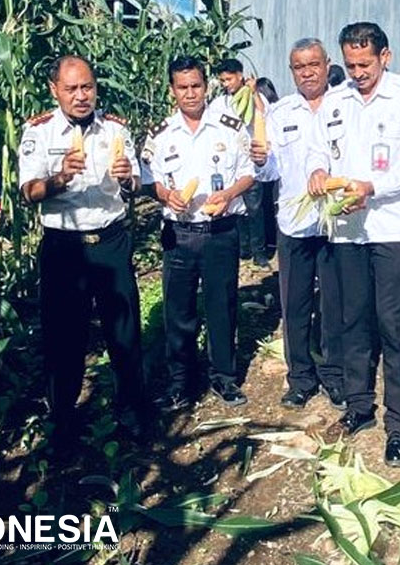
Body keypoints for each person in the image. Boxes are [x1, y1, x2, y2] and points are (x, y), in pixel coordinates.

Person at [308, 22, 400, 468]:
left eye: (365, 64)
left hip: (391, 229)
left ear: (385, 57)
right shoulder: (335, 101)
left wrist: (371, 187)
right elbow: (320, 150)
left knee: (393, 328)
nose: (357, 72)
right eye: (351, 64)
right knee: (352, 321)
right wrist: (318, 173)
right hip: (348, 231)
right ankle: (359, 407)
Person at [17, 55, 145, 439]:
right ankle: (62, 417)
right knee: (63, 337)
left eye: (87, 87)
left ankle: (132, 410)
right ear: (54, 90)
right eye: (71, 89)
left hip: (110, 241)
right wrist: (60, 178)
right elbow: (29, 192)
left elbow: (136, 185)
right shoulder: (38, 133)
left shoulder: (115, 129)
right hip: (65, 249)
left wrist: (128, 180)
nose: (80, 96)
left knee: (123, 331)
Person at [143, 55, 256, 410]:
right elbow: (150, 181)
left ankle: (224, 377)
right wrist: (166, 195)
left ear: (206, 86)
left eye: (196, 86)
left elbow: (249, 172)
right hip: (179, 234)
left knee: (222, 306)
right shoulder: (160, 135)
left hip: (220, 231)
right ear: (171, 91)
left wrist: (230, 193)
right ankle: (181, 383)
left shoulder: (230, 126)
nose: (190, 94)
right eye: (182, 88)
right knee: (179, 311)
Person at [251, 40, 346, 409]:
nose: (307, 73)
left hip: (336, 222)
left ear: (327, 65)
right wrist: (261, 161)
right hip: (294, 223)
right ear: (291, 71)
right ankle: (300, 378)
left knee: (335, 305)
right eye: (298, 67)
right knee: (295, 304)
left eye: (313, 65)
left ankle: (334, 374)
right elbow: (271, 170)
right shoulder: (279, 113)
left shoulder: (344, 106)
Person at [209, 58, 270, 268]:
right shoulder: (218, 104)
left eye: (229, 79)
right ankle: (243, 249)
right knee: (236, 207)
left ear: (240, 75)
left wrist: (253, 93)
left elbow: (264, 114)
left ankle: (259, 253)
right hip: (228, 162)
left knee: (254, 208)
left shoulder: (255, 97)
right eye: (222, 80)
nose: (226, 84)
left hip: (251, 160)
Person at [252, 77, 281, 254]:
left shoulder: (266, 108)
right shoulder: (276, 107)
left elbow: (260, 110)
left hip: (267, 160)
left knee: (264, 207)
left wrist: (254, 93)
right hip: (267, 162)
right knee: (270, 206)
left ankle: (269, 242)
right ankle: (272, 241)